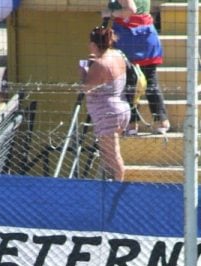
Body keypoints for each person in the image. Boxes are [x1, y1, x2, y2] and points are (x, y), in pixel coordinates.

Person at [106, 0, 170, 135]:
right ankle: (161, 120)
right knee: (150, 82)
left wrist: (110, 13)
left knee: (129, 84)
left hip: (130, 38)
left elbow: (131, 9)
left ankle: (131, 124)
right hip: (145, 35)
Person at [80, 25, 131, 181]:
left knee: (112, 154)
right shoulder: (118, 55)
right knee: (107, 152)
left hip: (107, 112)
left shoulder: (101, 64)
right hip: (121, 108)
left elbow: (86, 88)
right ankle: (111, 181)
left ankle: (118, 183)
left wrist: (83, 70)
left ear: (94, 45)